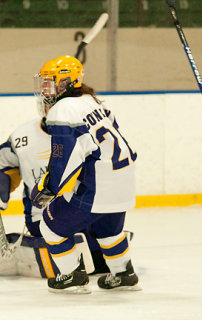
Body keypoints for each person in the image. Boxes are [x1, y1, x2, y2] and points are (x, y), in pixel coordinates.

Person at [30, 55, 139, 293]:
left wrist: (48, 188)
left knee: (49, 226)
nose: (45, 89)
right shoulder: (94, 101)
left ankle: (72, 275)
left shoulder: (62, 108)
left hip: (97, 185)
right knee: (109, 231)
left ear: (67, 82)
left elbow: (66, 157)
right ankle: (124, 274)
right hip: (123, 179)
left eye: (51, 82)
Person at [0, 105, 123, 277]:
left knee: (99, 233)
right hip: (40, 218)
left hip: (84, 210)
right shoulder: (21, 136)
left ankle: (79, 269)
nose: (52, 107)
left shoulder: (86, 130)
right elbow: (4, 165)